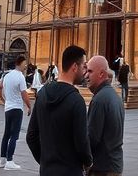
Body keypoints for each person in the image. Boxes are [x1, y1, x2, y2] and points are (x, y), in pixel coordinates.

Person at [26, 45, 93, 174]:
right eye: (83, 66)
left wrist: (45, 161)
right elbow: (81, 142)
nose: (85, 71)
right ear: (74, 67)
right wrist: (88, 162)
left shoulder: (42, 94)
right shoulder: (76, 100)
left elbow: (31, 136)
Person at [86, 56, 125, 175]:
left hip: (102, 167)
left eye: (90, 71)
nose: (86, 75)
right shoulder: (115, 96)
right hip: (114, 164)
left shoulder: (99, 99)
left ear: (101, 74)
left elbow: (92, 138)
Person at [0, 56, 32, 170]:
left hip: (8, 108)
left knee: (6, 134)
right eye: (25, 63)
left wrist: (4, 100)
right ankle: (9, 161)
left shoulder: (7, 76)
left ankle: (2, 160)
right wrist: (29, 106)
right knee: (14, 135)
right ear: (20, 63)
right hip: (17, 108)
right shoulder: (20, 76)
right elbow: (24, 93)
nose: (25, 65)